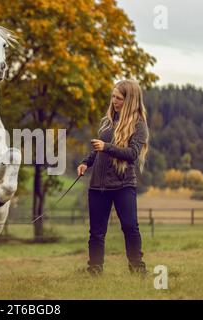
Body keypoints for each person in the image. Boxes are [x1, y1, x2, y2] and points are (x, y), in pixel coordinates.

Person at [77, 79, 150, 276]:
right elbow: (98, 150)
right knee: (96, 233)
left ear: (130, 100)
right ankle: (94, 270)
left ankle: (137, 268)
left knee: (130, 227)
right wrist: (86, 162)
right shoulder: (108, 121)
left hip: (123, 185)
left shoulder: (139, 125)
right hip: (98, 186)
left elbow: (133, 154)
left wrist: (106, 147)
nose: (114, 101)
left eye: (118, 98)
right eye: (113, 96)